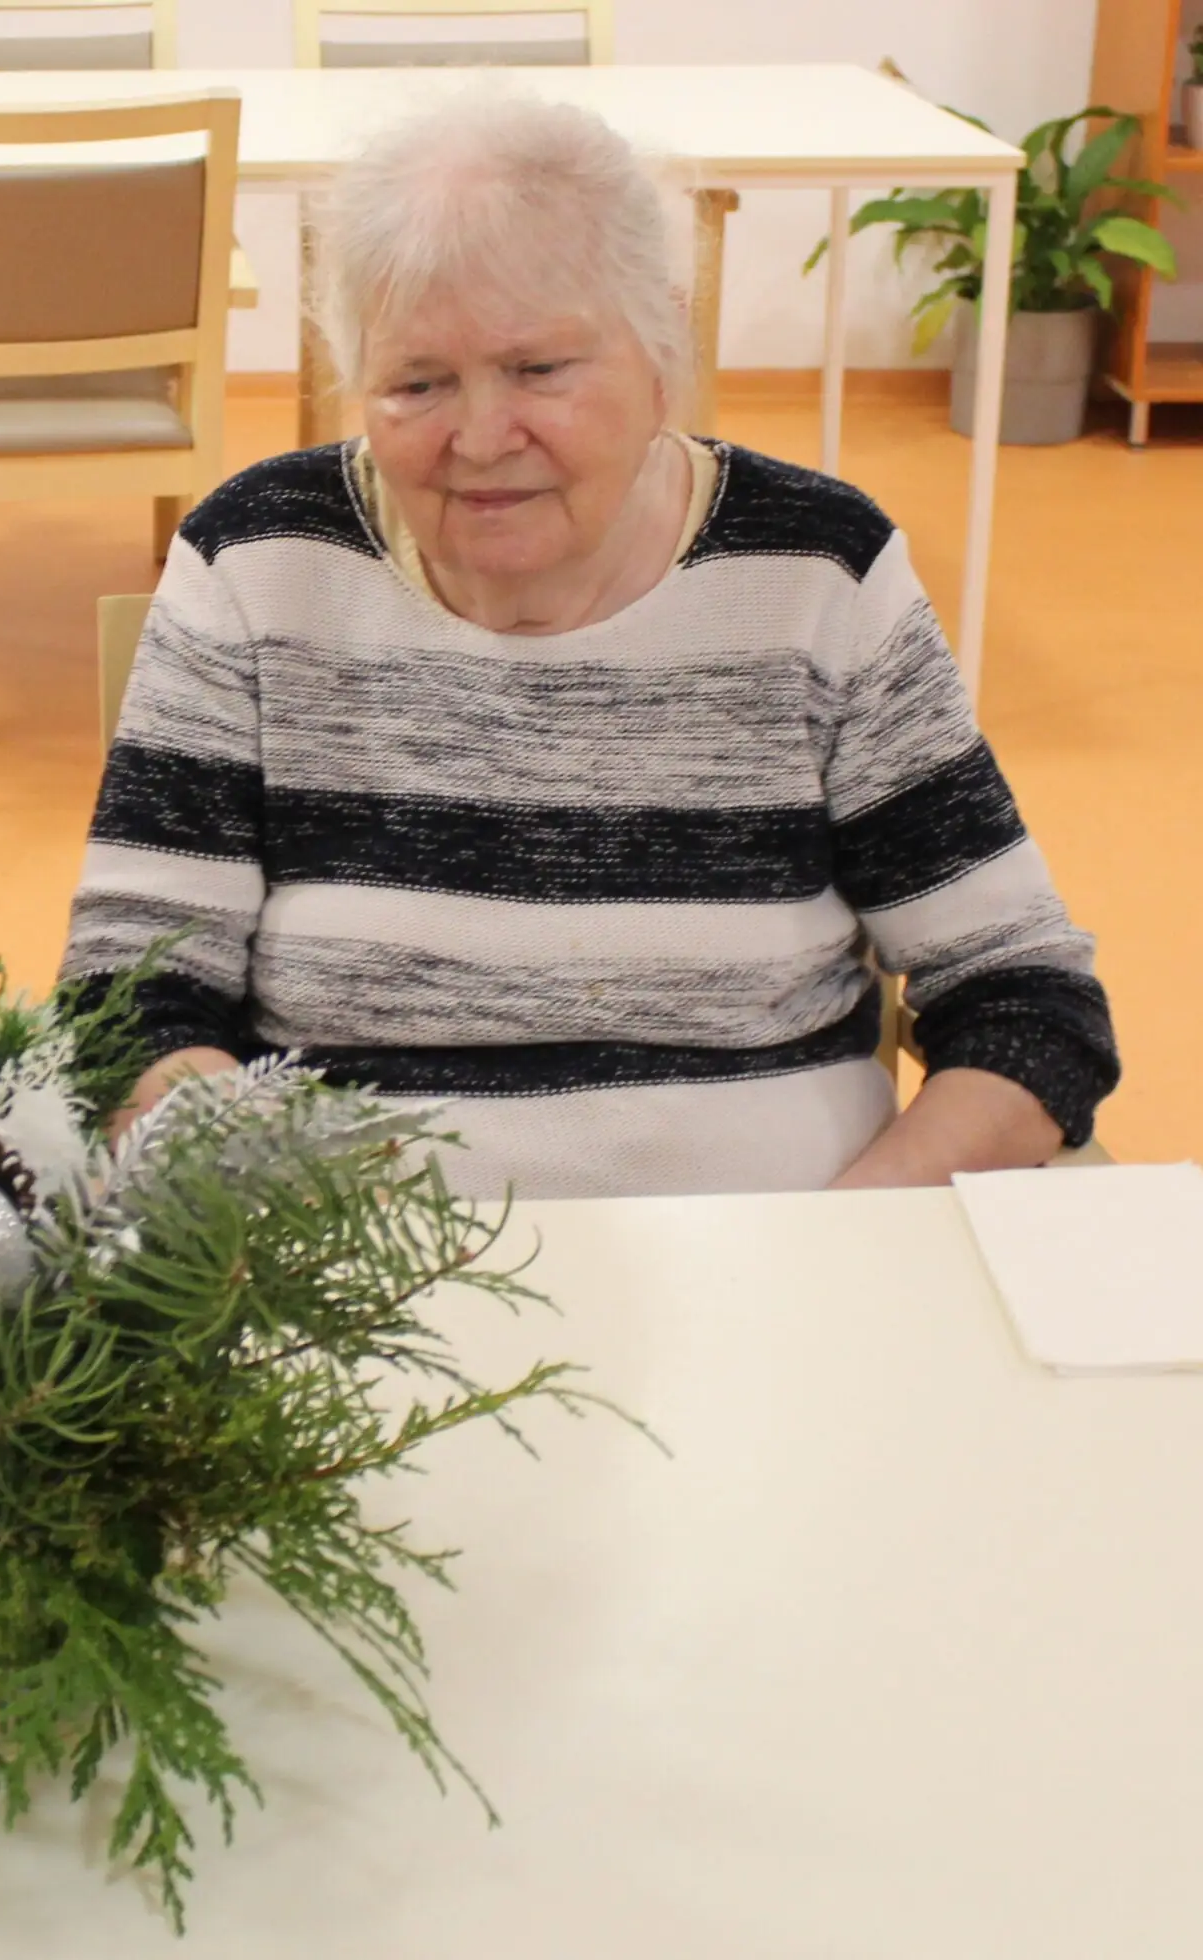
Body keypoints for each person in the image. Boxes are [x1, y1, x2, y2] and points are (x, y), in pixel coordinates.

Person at [62, 95, 1118, 1197]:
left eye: (540, 370)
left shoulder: (816, 571)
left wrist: (849, 1238)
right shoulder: (259, 559)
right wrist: (286, 1240)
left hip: (779, 1251)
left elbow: (1027, 1002)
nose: (480, 439)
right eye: (418, 383)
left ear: (663, 350)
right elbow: (127, 1004)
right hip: (348, 1259)